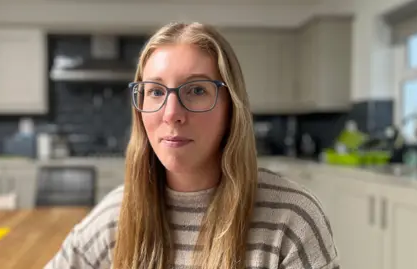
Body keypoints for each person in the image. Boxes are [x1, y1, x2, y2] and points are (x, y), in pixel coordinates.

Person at [44, 22, 339, 269]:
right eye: (156, 91)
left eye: (197, 90)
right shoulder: (116, 217)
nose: (172, 113)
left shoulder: (291, 220)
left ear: (231, 107)